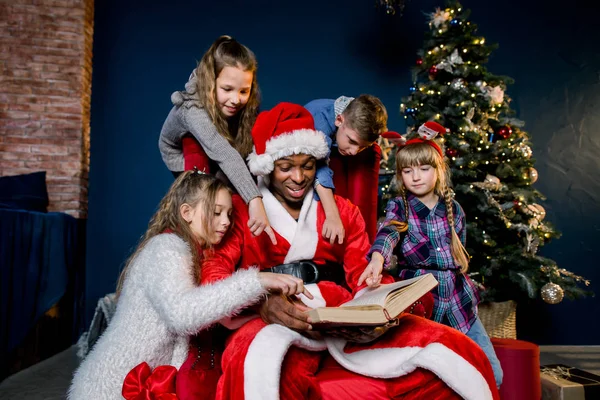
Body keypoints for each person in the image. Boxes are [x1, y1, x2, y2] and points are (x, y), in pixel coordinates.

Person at [181, 104, 499, 400]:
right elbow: (214, 277)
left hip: (339, 316)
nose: (298, 177)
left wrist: (375, 306)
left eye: (307, 166)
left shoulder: (342, 212)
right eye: (285, 167)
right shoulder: (239, 213)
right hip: (271, 320)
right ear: (266, 167)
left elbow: (362, 271)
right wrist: (261, 302)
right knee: (263, 366)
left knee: (450, 348)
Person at [67, 171, 311, 400]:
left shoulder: (193, 253)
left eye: (228, 214)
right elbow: (183, 315)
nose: (225, 222)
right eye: (216, 212)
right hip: (109, 386)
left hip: (140, 383)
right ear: (187, 212)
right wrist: (257, 281)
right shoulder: (166, 248)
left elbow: (214, 314)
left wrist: (265, 309)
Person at [360, 121, 504, 387]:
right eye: (407, 171)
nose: (416, 177)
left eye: (424, 169)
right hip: (422, 302)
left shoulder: (455, 210)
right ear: (399, 175)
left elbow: (459, 251)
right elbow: (388, 233)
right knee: (428, 377)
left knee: (492, 373)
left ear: (438, 170)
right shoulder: (399, 206)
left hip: (459, 303)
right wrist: (378, 258)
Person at [158, 35, 276, 244]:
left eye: (244, 91)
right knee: (205, 171)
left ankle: (225, 243)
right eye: (227, 89)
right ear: (210, 82)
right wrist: (255, 200)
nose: (235, 99)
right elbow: (221, 151)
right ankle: (191, 237)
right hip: (183, 151)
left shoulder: (241, 105)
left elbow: (236, 153)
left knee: (231, 190)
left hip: (220, 149)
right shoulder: (192, 109)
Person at [303, 95, 388, 245]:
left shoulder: (356, 117)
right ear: (339, 120)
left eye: (362, 146)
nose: (355, 152)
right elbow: (318, 167)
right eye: (352, 141)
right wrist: (332, 214)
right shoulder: (318, 120)